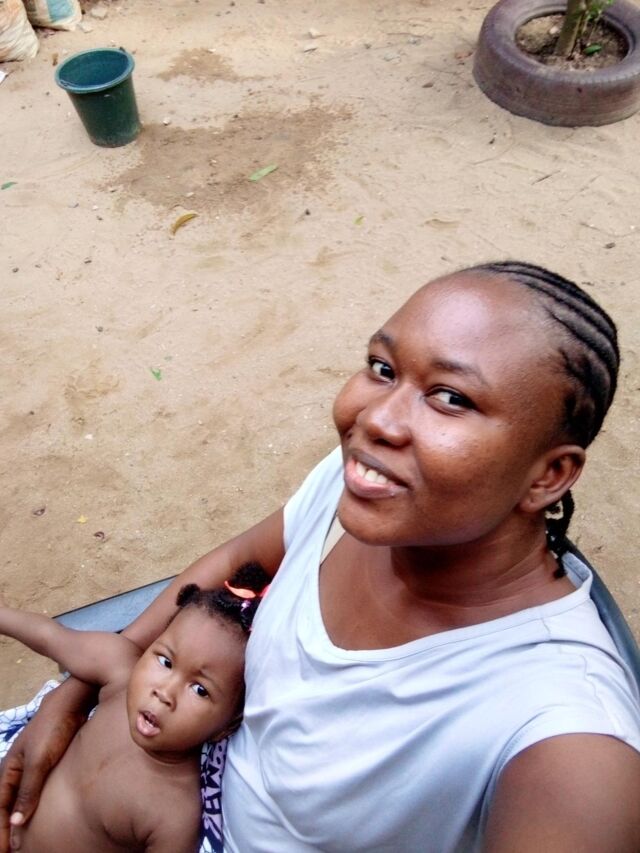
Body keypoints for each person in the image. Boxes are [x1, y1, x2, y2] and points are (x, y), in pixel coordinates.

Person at [2, 261, 640, 853]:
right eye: (382, 368)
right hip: (165, 755)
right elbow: (239, 561)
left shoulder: (565, 741)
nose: (375, 420)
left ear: (549, 475)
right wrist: (84, 692)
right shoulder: (359, 495)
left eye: (450, 397)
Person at [0, 563, 269, 853]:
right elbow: (49, 636)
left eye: (200, 690)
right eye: (165, 662)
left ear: (226, 726)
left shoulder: (174, 815)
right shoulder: (121, 673)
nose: (165, 693)